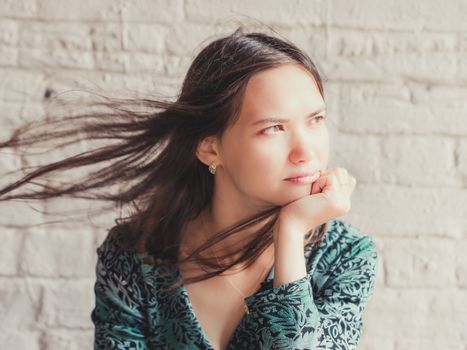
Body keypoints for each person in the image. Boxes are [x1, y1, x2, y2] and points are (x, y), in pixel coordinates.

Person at [0, 27, 378, 349]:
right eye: (273, 128)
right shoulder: (136, 257)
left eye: (315, 120)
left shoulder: (346, 258)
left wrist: (291, 234)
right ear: (210, 147)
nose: (305, 151)